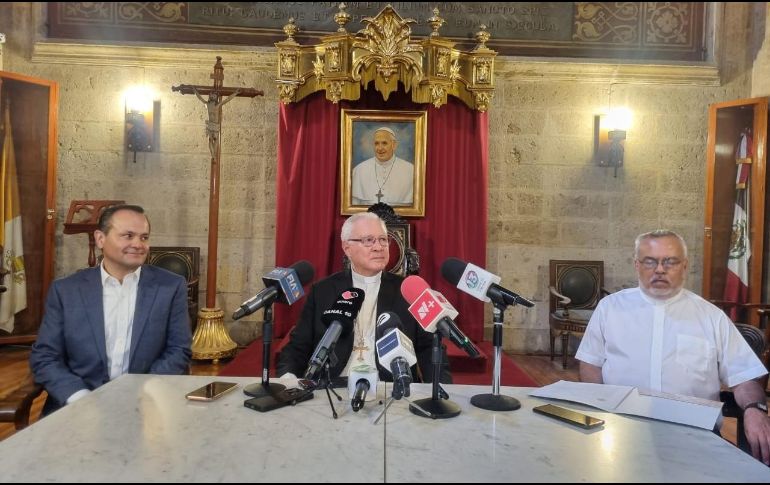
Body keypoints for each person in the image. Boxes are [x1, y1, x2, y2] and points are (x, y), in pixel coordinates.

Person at [576, 229, 770, 464]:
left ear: (684, 266)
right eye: (650, 261)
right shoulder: (610, 309)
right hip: (621, 430)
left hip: (696, 437)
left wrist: (755, 409)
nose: (660, 269)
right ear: (637, 265)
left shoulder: (711, 317)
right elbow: (591, 364)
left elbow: (744, 378)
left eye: (670, 261)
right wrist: (600, 407)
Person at [30, 204, 192, 414]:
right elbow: (45, 356)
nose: (138, 244)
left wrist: (142, 393)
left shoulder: (170, 287)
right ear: (100, 239)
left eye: (144, 237)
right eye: (128, 236)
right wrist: (80, 398)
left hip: (145, 407)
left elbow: (178, 350)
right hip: (77, 407)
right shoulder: (66, 291)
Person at [277, 212, 451, 384]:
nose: (379, 247)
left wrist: (441, 387)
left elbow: (430, 348)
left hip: (392, 387)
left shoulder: (408, 291)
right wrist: (288, 378)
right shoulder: (322, 291)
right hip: (332, 388)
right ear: (347, 248)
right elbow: (297, 347)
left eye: (383, 239)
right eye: (369, 240)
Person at [351, 127, 414, 206]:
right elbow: (353, 206)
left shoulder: (410, 170)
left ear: (394, 145)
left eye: (384, 143)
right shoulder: (359, 170)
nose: (380, 148)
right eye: (376, 143)